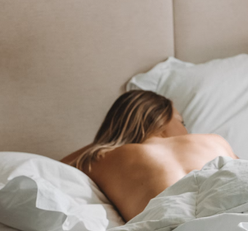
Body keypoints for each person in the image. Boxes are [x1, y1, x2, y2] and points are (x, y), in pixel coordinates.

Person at [61, 90, 238, 222]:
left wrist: (112, 139)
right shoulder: (215, 141)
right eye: (181, 121)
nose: (186, 129)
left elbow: (55, 167)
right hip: (237, 220)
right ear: (161, 119)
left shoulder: (102, 157)